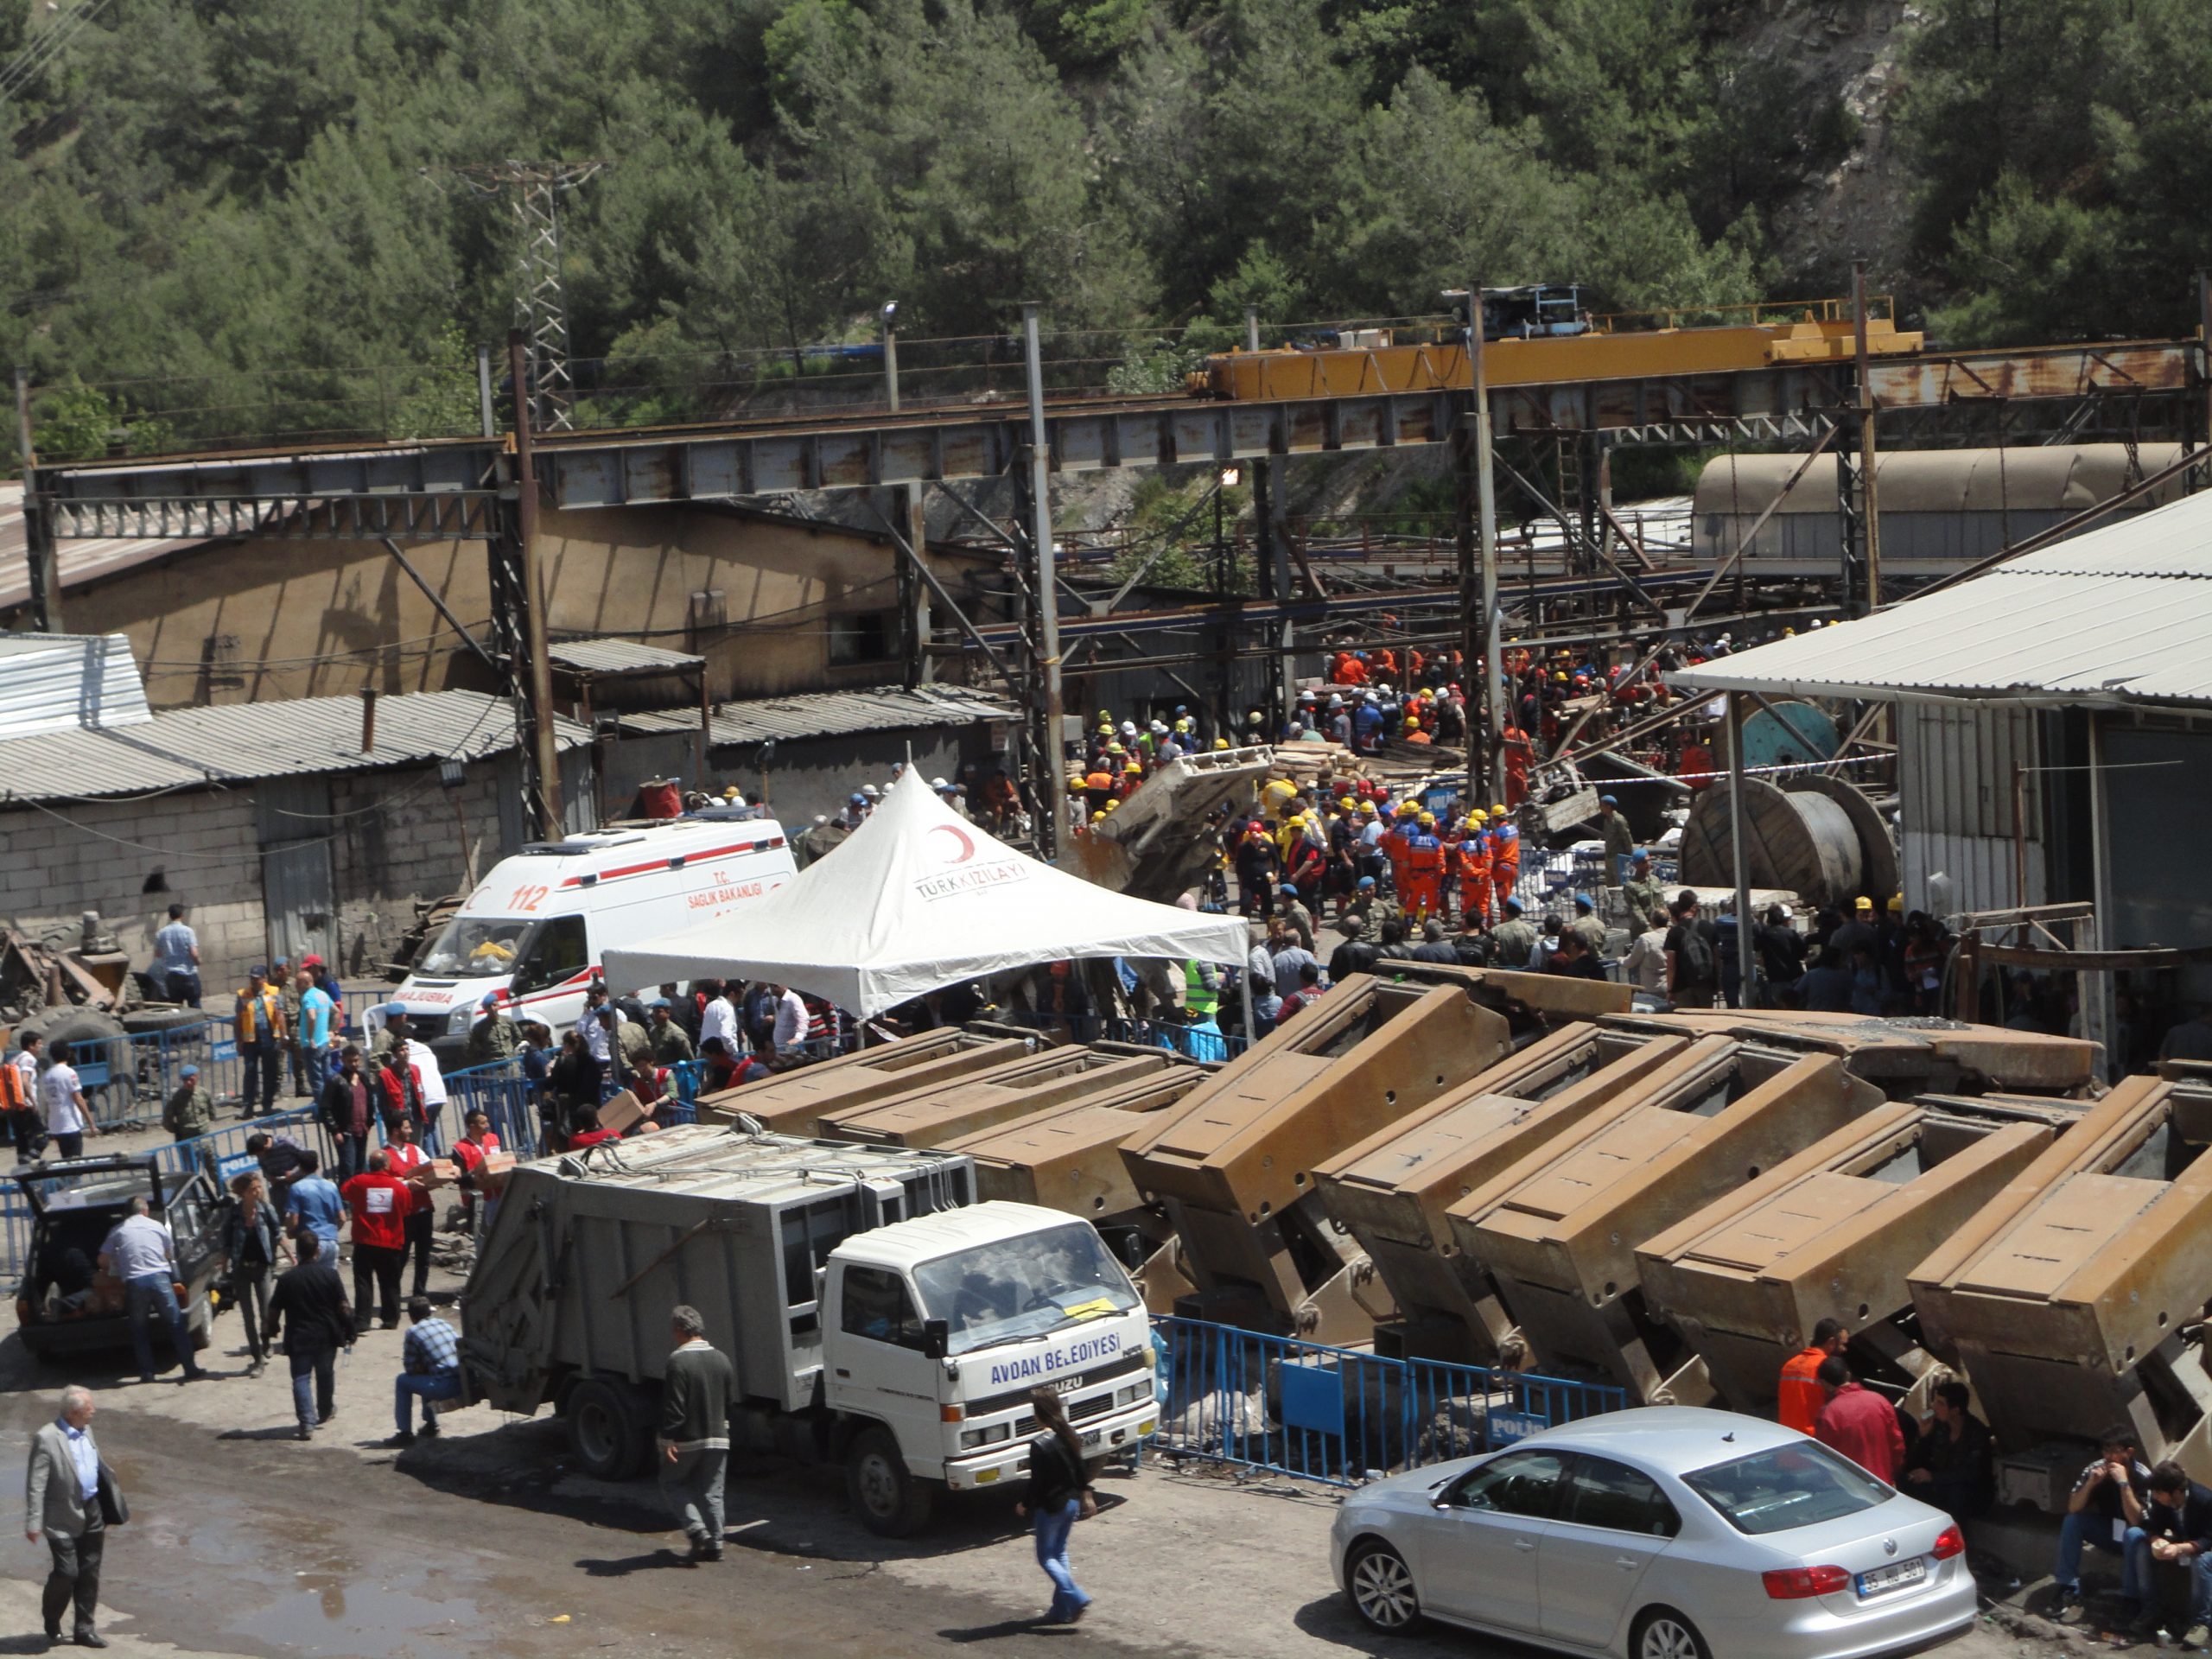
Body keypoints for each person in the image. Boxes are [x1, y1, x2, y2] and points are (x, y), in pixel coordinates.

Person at [25, 1383, 109, 1649]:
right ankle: (51, 1616)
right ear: (74, 1413)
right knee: (67, 1572)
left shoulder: (87, 1430)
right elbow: (36, 1484)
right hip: (60, 1515)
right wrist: (34, 1521)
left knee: (90, 1571)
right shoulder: (47, 1438)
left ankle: (85, 1629)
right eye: (89, 1407)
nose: (93, 1411)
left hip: (92, 1509)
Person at [99, 1195, 205, 1386]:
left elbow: (102, 1260)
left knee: (139, 1329)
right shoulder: (158, 1226)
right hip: (160, 1279)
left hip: (135, 1283)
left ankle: (147, 1372)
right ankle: (190, 1368)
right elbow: (168, 1254)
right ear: (145, 1211)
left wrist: (113, 1268)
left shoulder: (117, 1231)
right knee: (175, 1324)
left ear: (126, 1214)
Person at [2052, 1426, 2154, 1624]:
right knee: (2073, 1521)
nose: (2108, 1457)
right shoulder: (2095, 1469)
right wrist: (2091, 1484)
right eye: (2105, 1451)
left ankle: (2130, 1598)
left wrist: (2124, 1484)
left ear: (2128, 1452)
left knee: (2134, 1533)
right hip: (2108, 1531)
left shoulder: (2142, 1475)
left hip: (2133, 1539)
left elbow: (2137, 1520)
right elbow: (2073, 1507)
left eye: (2114, 1452)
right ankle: (2067, 1586)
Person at [660, 1305, 734, 1565]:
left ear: (680, 1330)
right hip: (719, 1436)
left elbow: (675, 1408)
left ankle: (696, 1530)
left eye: (674, 1331)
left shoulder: (678, 1361)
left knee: (672, 1483)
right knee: (713, 1492)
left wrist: (668, 1438)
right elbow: (729, 1401)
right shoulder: (722, 1359)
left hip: (688, 1438)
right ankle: (715, 1545)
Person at [1015, 1383, 1095, 1625]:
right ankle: (1061, 1611)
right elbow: (1080, 1468)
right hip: (1071, 1503)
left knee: (1046, 1557)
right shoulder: (1068, 1435)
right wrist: (1086, 1494)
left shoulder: (1039, 1444)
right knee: (1060, 1553)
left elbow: (1037, 1482)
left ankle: (1076, 1596)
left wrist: (1025, 1504)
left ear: (1038, 1413)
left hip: (1051, 1507)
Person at [266, 1233, 353, 1440]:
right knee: (325, 1374)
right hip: (326, 1336)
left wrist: (271, 1329)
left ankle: (306, 1422)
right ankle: (324, 1411)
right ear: (318, 1251)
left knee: (301, 1378)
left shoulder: (287, 1279)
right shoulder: (330, 1276)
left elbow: (274, 1309)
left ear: (298, 1252)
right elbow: (344, 1307)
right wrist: (350, 1329)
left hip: (299, 1337)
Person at [223, 1169, 285, 1376]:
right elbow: (226, 1242)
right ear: (243, 1192)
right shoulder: (233, 1213)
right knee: (248, 1316)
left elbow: (277, 1234)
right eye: (253, 1189)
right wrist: (224, 1268)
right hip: (241, 1269)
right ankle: (257, 1357)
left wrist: (291, 1255)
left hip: (263, 1267)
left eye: (259, 1187)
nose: (258, 1191)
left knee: (266, 1311)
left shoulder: (266, 1210)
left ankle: (266, 1341)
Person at [1905, 1381, 1993, 1526]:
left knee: (1957, 1494)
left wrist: (1933, 1477)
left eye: (1940, 1404)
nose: (1934, 1407)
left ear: (1955, 1410)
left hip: (1970, 1492)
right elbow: (1917, 1462)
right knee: (1906, 1482)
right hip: (1940, 1483)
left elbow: (1971, 1473)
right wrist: (1923, 1436)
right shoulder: (1939, 1427)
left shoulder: (1976, 1432)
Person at [2143, 1461, 2212, 1647]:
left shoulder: (2204, 1500)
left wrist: (2180, 1548)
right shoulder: (2163, 1503)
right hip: (2184, 1544)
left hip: (2205, 1550)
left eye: (2158, 1493)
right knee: (2141, 1546)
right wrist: (2156, 1540)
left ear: (2175, 1492)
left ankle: (2201, 1623)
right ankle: (2152, 1610)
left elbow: (2208, 1539)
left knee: (2203, 1563)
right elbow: (2152, 1527)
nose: (2155, 1497)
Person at [340, 1150, 410, 1329]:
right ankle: (391, 1319)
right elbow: (407, 1209)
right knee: (390, 1282)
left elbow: (345, 1192)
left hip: (365, 1240)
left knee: (363, 1281)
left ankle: (363, 1319)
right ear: (387, 1165)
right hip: (391, 1241)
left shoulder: (359, 1182)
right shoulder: (398, 1187)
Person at [1813, 1357, 1903, 1484]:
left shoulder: (1829, 1414)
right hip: (1885, 1485)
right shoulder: (1879, 1401)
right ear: (1848, 1375)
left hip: (1850, 1489)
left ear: (1824, 1383)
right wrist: (1893, 1472)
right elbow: (1897, 1444)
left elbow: (1823, 1458)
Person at [390, 1296, 462, 1447]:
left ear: (410, 1316)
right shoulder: (444, 1323)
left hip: (445, 1386)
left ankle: (404, 1433)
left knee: (402, 1381)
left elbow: (409, 1368)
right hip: (464, 1380)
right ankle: (430, 1425)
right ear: (429, 1311)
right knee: (428, 1373)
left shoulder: (413, 1331)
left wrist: (422, 1365)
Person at [383, 1115, 436, 1297]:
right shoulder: (384, 1155)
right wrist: (406, 1183)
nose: (411, 1131)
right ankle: (392, 1295)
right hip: (403, 1215)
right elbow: (382, 1183)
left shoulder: (415, 1150)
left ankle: (420, 1294)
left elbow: (430, 1168)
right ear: (396, 1131)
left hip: (423, 1209)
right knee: (401, 1257)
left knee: (424, 1256)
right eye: (407, 1128)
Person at [1777, 1319, 1846, 1435]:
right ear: (1831, 1342)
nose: (1844, 1349)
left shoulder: (1789, 1365)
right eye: (1842, 1344)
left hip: (1787, 1435)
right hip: (1812, 1438)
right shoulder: (1826, 1367)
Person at [234, 967, 287, 1118]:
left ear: (264, 978)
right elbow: (237, 1019)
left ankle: (267, 1104)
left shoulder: (274, 992)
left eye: (257, 978)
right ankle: (248, 1106)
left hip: (269, 1038)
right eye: (252, 978)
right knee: (250, 1072)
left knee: (270, 1072)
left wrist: (284, 1036)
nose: (254, 981)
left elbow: (280, 1015)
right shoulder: (243, 995)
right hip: (250, 1040)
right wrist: (238, 1040)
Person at [319, 1045, 375, 1181]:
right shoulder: (336, 1081)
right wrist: (335, 1130)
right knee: (348, 1168)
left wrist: (370, 1122)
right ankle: (344, 1199)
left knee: (360, 1167)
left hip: (362, 1129)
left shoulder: (363, 1078)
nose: (354, 1064)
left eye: (356, 1060)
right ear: (343, 1060)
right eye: (350, 1061)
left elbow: (370, 1101)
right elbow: (325, 1108)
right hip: (346, 1131)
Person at [39, 1041, 96, 1160]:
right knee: (75, 1161)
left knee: (65, 1159)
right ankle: (73, 1179)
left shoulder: (46, 1076)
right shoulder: (69, 1073)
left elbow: (46, 1102)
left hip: (55, 1124)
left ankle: (67, 1178)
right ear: (68, 1054)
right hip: (70, 1123)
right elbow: (78, 1098)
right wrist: (91, 1123)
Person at [1663, 892, 1720, 1010]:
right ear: (1694, 907)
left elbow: (1671, 965)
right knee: (1706, 1021)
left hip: (1682, 986)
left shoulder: (1674, 932)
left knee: (1686, 1022)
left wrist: (1670, 989)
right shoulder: (1709, 927)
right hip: (1705, 983)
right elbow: (1717, 958)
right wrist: (1717, 981)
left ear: (1679, 907)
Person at [283, 1149, 344, 1249]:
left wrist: (292, 1234)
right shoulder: (331, 1186)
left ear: (300, 1167)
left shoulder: (297, 1188)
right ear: (317, 1166)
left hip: (308, 1243)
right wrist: (332, 1232)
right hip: (331, 1241)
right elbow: (342, 1218)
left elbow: (293, 1220)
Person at [152, 901, 201, 1006]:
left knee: (176, 1006)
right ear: (182, 915)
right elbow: (194, 953)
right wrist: (198, 961)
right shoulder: (188, 931)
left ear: (170, 916)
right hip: (188, 973)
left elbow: (158, 955)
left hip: (171, 975)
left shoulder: (161, 933)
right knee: (195, 1004)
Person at [297, 968, 337, 1098]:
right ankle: (332, 1106)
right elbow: (336, 1011)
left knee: (316, 1080)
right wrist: (331, 1030)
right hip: (324, 1041)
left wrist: (310, 1037)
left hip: (312, 1045)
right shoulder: (322, 994)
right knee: (327, 1076)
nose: (296, 986)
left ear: (306, 982)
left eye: (298, 983)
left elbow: (312, 1016)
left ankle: (322, 1111)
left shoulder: (308, 997)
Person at [161, 1062, 214, 1143]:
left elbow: (212, 1113)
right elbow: (167, 1120)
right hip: (187, 1140)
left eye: (191, 1079)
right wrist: (178, 1130)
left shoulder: (204, 1093)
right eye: (185, 1080)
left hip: (205, 1138)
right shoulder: (176, 1098)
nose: (188, 1082)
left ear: (197, 1077)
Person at [1489, 898, 1537, 969]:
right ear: (1520, 913)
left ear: (1506, 912)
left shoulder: (1495, 931)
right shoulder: (1531, 930)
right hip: (1524, 971)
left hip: (1502, 971)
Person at [1598, 796, 1634, 886]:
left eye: (1602, 805)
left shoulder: (1619, 820)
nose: (1600, 808)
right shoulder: (1606, 821)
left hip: (1619, 857)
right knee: (1610, 884)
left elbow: (1627, 838)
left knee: (1620, 883)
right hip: (1609, 856)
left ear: (1608, 807)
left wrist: (1630, 855)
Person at [648, 1001, 696, 1065]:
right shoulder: (653, 1032)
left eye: (658, 1012)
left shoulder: (676, 1033)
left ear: (668, 1012)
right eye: (654, 1012)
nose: (655, 1015)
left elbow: (688, 1057)